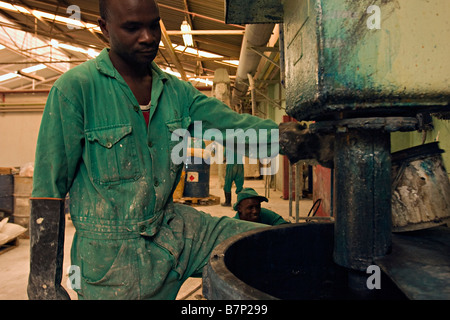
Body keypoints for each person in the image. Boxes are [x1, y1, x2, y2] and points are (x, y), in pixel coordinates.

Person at [27, 0, 279, 300]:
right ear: (104, 28)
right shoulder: (76, 90)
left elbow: (234, 128)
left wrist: (291, 137)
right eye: (132, 28)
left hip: (173, 230)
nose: (148, 37)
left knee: (271, 244)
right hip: (111, 260)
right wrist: (44, 285)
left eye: (153, 25)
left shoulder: (177, 92)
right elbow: (48, 190)